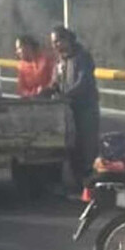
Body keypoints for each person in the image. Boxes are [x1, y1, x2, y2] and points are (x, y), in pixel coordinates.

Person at [49, 26, 100, 191]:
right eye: (53, 43)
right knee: (72, 148)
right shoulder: (60, 61)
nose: (55, 45)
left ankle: (90, 186)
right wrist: (46, 92)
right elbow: (55, 83)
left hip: (85, 109)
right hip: (68, 111)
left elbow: (84, 82)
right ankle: (78, 186)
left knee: (87, 146)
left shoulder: (82, 57)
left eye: (58, 41)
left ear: (67, 40)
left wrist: (66, 95)